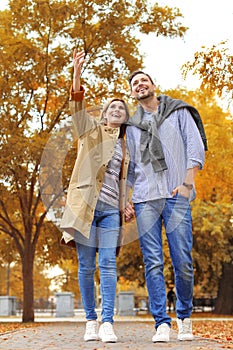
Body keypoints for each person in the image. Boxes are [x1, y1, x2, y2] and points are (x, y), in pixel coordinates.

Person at [125, 70, 207, 343]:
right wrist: (128, 198)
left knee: (182, 260)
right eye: (134, 83)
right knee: (152, 262)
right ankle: (161, 323)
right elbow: (132, 165)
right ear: (132, 92)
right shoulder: (133, 126)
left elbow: (194, 147)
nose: (139, 85)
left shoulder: (178, 111)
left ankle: (184, 317)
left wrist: (186, 184)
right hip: (145, 197)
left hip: (176, 194)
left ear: (153, 85)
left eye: (143, 80)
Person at [60, 49, 130, 343]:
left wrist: (127, 203)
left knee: (108, 266)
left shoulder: (126, 146)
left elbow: (124, 180)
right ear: (103, 115)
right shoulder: (89, 132)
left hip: (111, 211)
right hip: (86, 207)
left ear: (125, 118)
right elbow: (77, 106)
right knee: (87, 266)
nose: (116, 110)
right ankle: (90, 321)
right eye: (111, 107)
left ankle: (107, 322)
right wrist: (77, 73)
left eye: (121, 108)